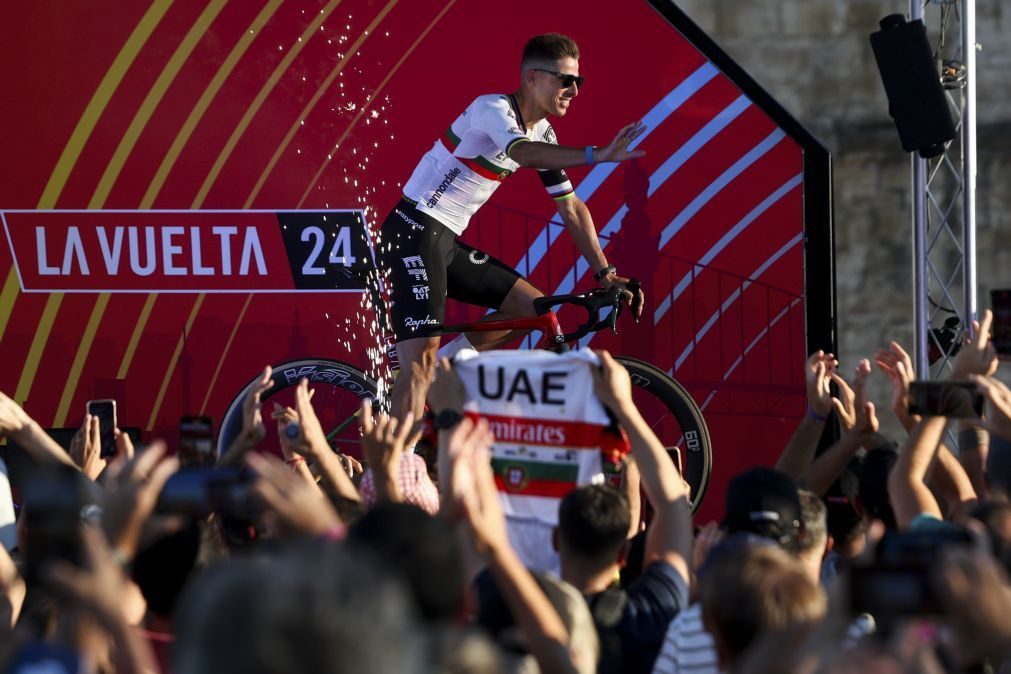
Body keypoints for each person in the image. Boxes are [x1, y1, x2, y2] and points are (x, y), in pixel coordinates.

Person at [378, 32, 646, 423]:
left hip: (443, 239)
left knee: (531, 309)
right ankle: (394, 467)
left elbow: (570, 208)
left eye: (579, 81)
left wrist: (606, 273)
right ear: (533, 78)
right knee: (418, 361)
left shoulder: (543, 133)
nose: (574, 90)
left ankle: (438, 373)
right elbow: (521, 153)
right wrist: (598, 155)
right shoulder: (492, 109)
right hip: (413, 231)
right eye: (565, 80)